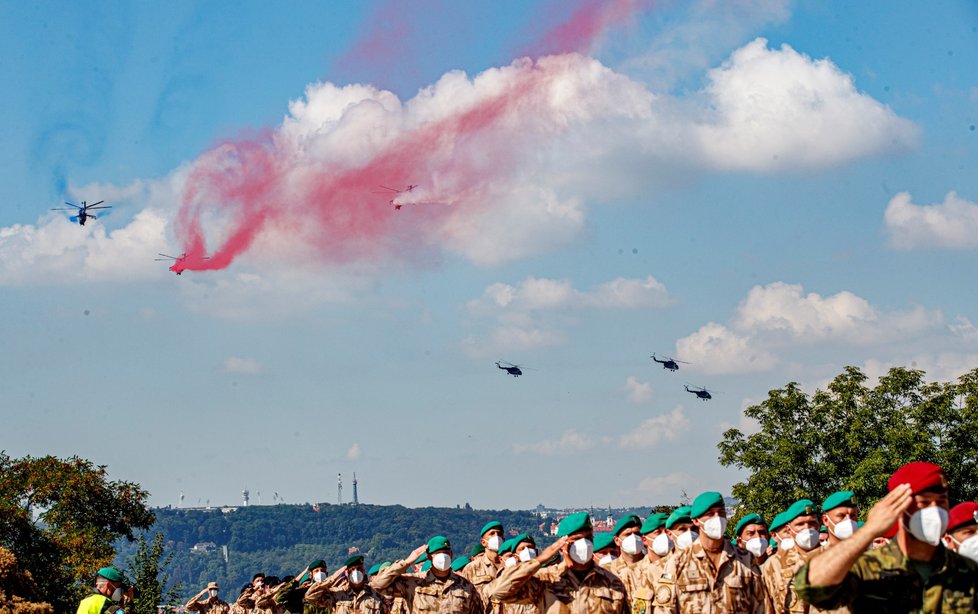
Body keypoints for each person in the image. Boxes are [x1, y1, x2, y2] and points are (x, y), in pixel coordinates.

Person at [794, 461, 978, 612]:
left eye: (941, 502)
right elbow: (813, 588)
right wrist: (870, 529)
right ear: (899, 509)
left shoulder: (966, 570)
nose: (935, 511)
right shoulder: (867, 568)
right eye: (923, 503)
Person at [491, 511, 629, 614]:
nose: (585, 544)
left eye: (588, 538)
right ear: (562, 545)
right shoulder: (546, 579)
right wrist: (540, 560)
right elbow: (501, 592)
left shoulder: (611, 582)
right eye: (577, 540)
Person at [654, 491, 766, 613]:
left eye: (721, 513)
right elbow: (664, 609)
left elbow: (759, 607)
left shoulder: (745, 560)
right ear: (696, 521)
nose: (717, 518)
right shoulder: (678, 562)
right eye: (710, 514)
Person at [371, 536, 483, 614]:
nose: (443, 557)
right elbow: (378, 585)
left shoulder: (466, 586)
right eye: (438, 553)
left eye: (446, 553)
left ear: (452, 555)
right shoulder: (413, 582)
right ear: (429, 557)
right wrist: (406, 562)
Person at [760, 499, 823, 613]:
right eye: (800, 524)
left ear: (819, 524)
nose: (807, 528)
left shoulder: (835, 556)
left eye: (812, 523)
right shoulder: (774, 565)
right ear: (789, 530)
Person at [305, 554, 386, 614]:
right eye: (352, 569)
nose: (356, 572)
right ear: (347, 573)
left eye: (359, 569)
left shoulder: (376, 594)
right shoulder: (336, 594)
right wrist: (331, 579)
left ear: (364, 571)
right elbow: (310, 597)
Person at [460, 521, 506, 611]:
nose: (496, 537)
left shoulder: (511, 566)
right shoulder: (471, 568)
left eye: (499, 534)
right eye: (492, 534)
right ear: (483, 542)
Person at [605, 513, 646, 599]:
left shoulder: (655, 566)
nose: (634, 538)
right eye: (628, 534)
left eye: (637, 533)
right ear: (617, 540)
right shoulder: (607, 571)